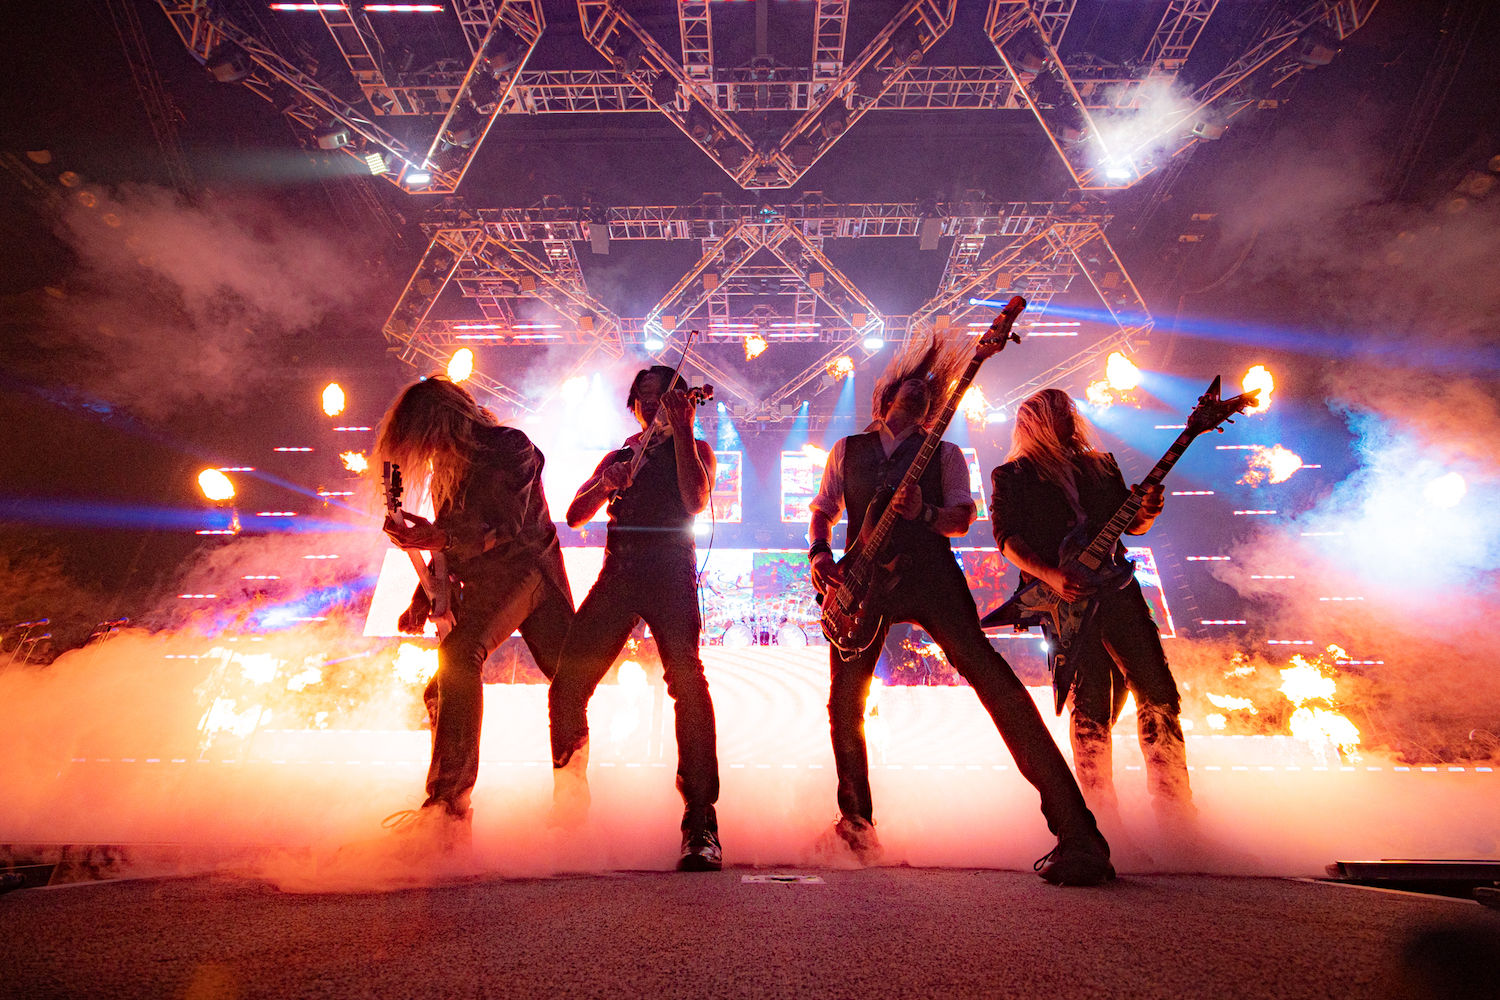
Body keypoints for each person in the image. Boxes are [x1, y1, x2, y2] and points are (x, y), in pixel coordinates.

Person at [807, 338, 1114, 886]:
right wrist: (818, 554)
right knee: (844, 700)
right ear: (884, 398)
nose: (921, 390)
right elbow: (824, 510)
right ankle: (857, 826)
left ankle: (1077, 831)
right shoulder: (846, 450)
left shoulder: (945, 454)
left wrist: (925, 512)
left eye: (929, 391)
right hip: (862, 584)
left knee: (996, 682)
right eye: (911, 385)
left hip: (930, 577)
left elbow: (962, 519)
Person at [989, 387, 1196, 847]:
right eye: (1056, 411)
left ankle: (1177, 812)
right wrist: (1052, 575)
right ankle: (1100, 821)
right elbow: (1007, 539)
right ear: (1035, 421)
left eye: (1069, 410)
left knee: (1158, 691)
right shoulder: (1013, 475)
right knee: (1091, 701)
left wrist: (1147, 512)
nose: (1068, 417)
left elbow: (1130, 526)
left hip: (1118, 591)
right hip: (1062, 598)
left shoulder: (1100, 465)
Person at [375, 376, 574, 852]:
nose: (425, 449)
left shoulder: (510, 446)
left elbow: (506, 526)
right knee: (442, 687)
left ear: (445, 419)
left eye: (426, 434)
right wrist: (421, 598)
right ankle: (450, 811)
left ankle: (449, 808)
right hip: (489, 583)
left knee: (477, 660)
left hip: (528, 570)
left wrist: (438, 538)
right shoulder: (448, 470)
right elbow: (447, 545)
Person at [548, 366, 723, 871]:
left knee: (687, 681)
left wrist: (684, 430)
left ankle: (701, 821)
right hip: (619, 572)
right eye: (644, 394)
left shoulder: (695, 447)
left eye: (663, 394)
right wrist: (606, 484)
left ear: (680, 401)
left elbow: (695, 500)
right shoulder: (619, 456)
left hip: (671, 571)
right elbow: (575, 514)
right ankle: (569, 811)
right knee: (567, 683)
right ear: (633, 404)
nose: (652, 401)